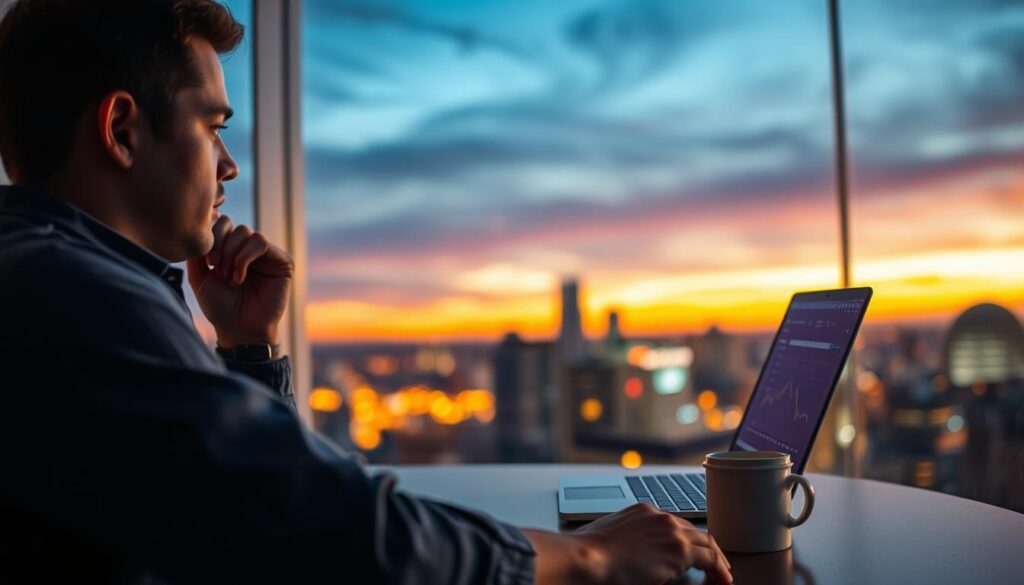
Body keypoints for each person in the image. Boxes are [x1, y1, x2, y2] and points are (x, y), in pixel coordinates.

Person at [0, 1, 732, 583]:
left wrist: (248, 346)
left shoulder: (57, 277)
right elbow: (322, 530)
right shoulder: (71, 297)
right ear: (123, 130)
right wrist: (590, 558)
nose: (228, 166)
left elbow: (236, 506)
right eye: (212, 126)